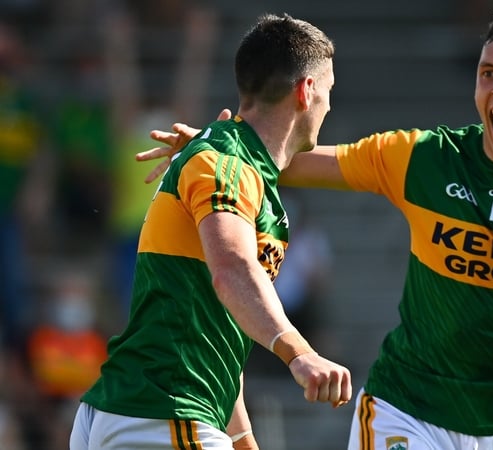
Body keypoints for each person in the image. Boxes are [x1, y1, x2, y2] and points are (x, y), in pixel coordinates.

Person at [142, 7, 493, 449]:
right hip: (407, 411)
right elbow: (290, 157)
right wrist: (221, 147)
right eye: (488, 74)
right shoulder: (427, 159)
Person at [69, 13, 352, 450]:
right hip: (163, 411)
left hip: (152, 411)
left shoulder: (238, 164)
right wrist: (301, 353)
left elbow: (216, 331)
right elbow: (232, 269)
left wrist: (243, 441)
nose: (329, 106)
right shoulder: (227, 162)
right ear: (306, 90)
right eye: (329, 90)